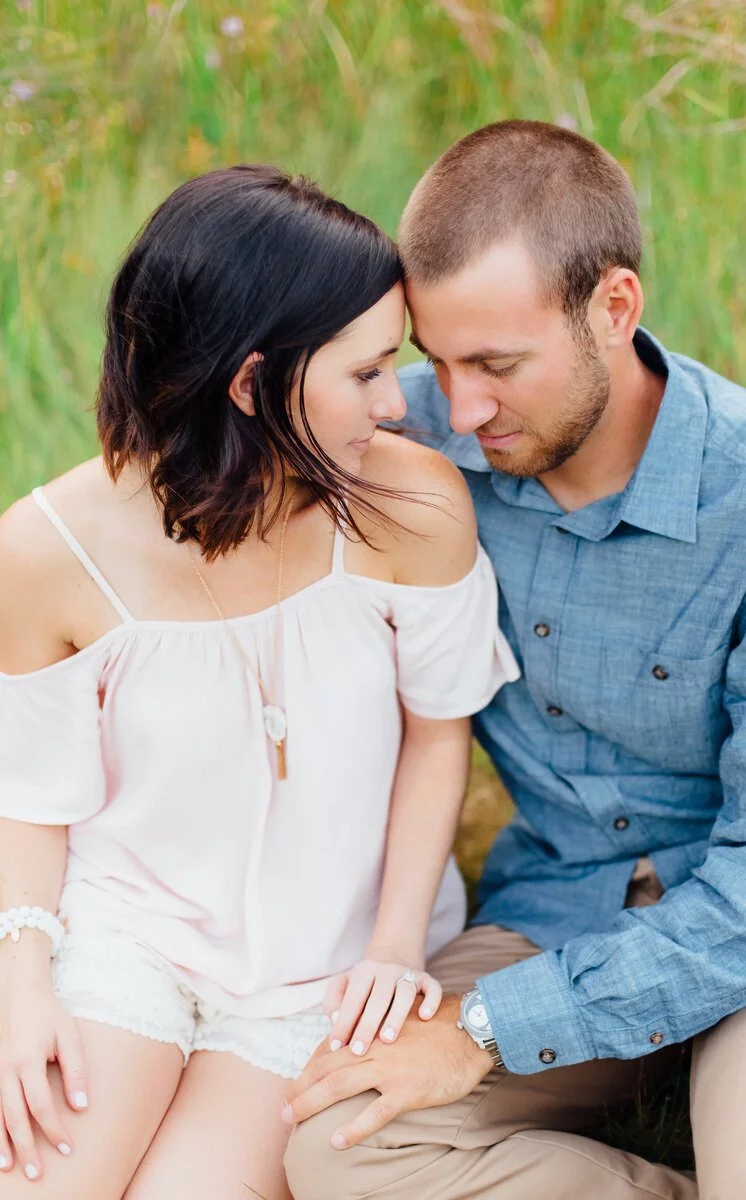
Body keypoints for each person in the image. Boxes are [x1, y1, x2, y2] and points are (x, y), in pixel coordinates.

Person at [283, 120, 746, 1200]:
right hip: (563, 904)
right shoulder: (415, 448)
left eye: (497, 366)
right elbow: (201, 472)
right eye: (436, 362)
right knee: (340, 1146)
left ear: (613, 308)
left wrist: (479, 1031)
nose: (460, 411)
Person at [0, 165, 519, 1199]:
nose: (401, 403)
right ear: (250, 384)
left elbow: (435, 733)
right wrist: (21, 990)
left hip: (324, 966)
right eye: (366, 373)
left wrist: (391, 946)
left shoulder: (411, 506)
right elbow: (30, 798)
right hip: (128, 933)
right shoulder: (44, 552)